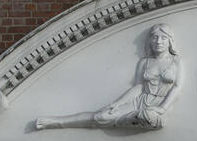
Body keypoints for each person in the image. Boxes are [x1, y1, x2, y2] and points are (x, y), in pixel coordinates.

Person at [36, 24, 182, 130]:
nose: (158, 41)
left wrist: (162, 108)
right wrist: (117, 103)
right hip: (140, 101)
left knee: (148, 116)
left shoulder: (176, 62)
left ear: (170, 41)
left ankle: (134, 118)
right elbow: (138, 87)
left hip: (158, 106)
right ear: (150, 41)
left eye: (163, 38)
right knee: (101, 116)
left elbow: (176, 88)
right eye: (155, 37)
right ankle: (55, 121)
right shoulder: (144, 62)